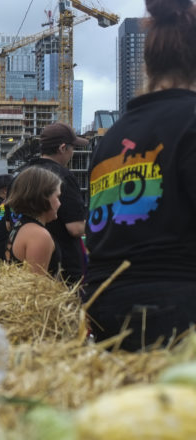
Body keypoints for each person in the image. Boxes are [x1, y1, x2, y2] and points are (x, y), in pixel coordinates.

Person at [84, 0, 196, 351]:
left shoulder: (111, 138)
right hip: (178, 306)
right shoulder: (191, 119)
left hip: (105, 309)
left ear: (148, 65)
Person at [0, 122, 87, 282]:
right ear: (62, 148)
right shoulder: (62, 177)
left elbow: (7, 224)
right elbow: (76, 228)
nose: (59, 203)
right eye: (72, 148)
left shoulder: (19, 177)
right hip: (63, 277)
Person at [3, 167, 62, 276]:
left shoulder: (20, 226)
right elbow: (36, 288)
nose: (60, 203)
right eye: (57, 197)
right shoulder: (38, 235)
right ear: (44, 197)